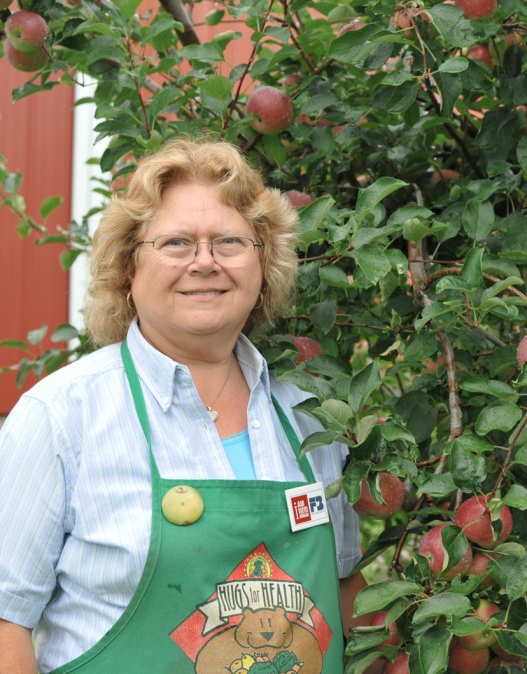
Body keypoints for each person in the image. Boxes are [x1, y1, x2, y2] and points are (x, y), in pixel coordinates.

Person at [0, 138, 372, 673]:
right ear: (128, 268)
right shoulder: (60, 418)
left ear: (263, 265)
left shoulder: (312, 420)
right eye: (175, 243)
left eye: (229, 241)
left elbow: (345, 600)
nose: (205, 262)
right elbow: (7, 625)